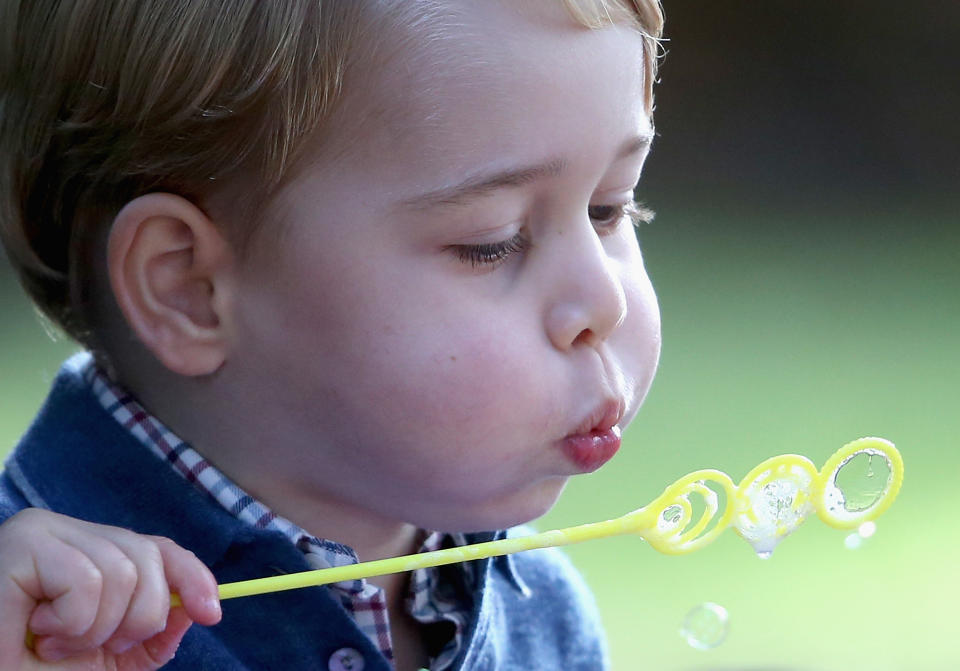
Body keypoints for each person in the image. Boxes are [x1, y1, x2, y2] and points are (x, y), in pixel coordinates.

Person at [0, 0, 664, 668]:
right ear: (189, 290)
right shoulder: (34, 628)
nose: (604, 301)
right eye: (491, 242)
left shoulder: (541, 610)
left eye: (611, 207)